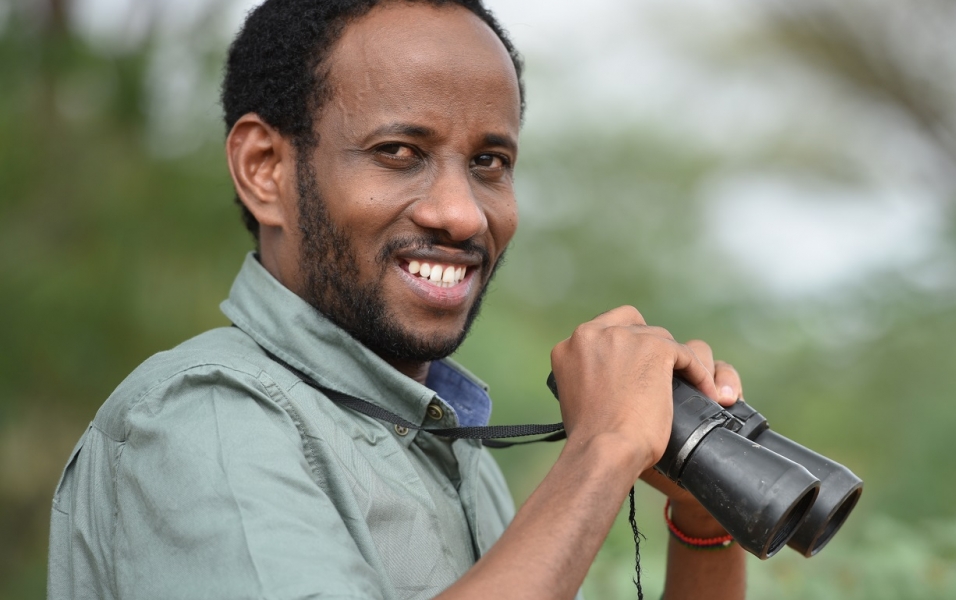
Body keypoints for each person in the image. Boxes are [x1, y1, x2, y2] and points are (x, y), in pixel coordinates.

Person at [48, 1, 749, 598]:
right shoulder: (206, 416)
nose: (463, 214)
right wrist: (605, 447)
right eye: (399, 152)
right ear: (265, 169)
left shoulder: (447, 453)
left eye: (488, 163)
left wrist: (704, 516)